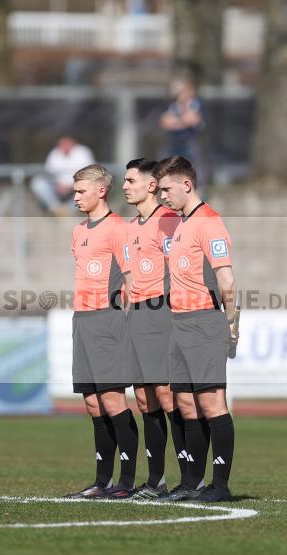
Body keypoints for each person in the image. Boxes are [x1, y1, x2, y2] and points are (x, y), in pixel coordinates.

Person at [154, 155, 237, 503]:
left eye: (166, 189)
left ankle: (220, 485)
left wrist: (231, 326)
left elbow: (227, 282)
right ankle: (191, 483)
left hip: (204, 322)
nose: (162, 197)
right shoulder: (179, 224)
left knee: (211, 402)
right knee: (186, 403)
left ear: (186, 185)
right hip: (179, 323)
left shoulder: (209, 222)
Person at [64, 164, 139, 500]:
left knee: (112, 401)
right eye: (75, 190)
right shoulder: (79, 231)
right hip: (82, 320)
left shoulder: (118, 229)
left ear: (101, 191)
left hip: (108, 320)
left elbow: (130, 278)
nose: (75, 196)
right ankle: (102, 480)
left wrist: (126, 319)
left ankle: (126, 481)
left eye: (81, 191)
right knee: (93, 403)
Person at [121, 157, 184, 500]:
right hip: (138, 317)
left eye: (131, 180)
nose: (125, 186)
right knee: (144, 400)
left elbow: (181, 271)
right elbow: (130, 278)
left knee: (167, 395)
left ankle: (190, 477)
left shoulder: (170, 221)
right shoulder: (130, 227)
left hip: (164, 313)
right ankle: (156, 480)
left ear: (151, 185)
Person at [30, 136, 95, 217]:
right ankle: (57, 208)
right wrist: (58, 184)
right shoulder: (55, 152)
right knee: (38, 183)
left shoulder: (83, 152)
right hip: (58, 186)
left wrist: (72, 186)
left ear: (72, 142)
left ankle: (70, 210)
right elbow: (49, 173)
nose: (64, 145)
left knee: (91, 186)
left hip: (77, 186)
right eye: (62, 143)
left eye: (66, 142)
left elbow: (89, 174)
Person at [159, 79, 206, 189]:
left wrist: (177, 122)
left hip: (191, 144)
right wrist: (182, 122)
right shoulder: (173, 106)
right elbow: (166, 122)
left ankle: (199, 192)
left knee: (194, 170)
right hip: (175, 144)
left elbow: (192, 119)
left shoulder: (196, 105)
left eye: (180, 92)